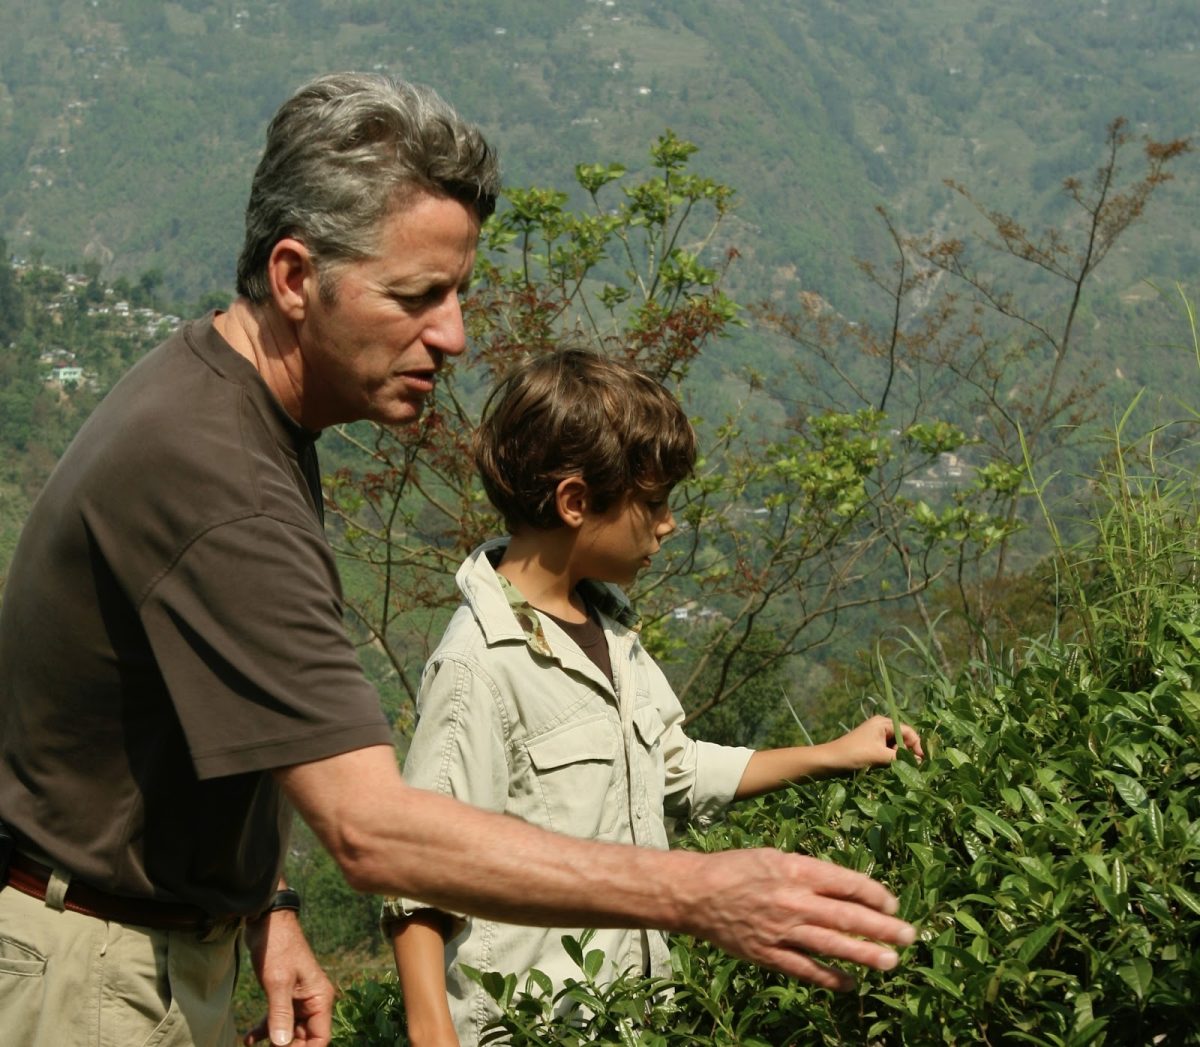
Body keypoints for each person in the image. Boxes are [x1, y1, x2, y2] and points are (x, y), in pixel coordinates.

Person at [0, 73, 915, 1047]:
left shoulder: (236, 407)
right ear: (296, 278)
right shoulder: (222, 478)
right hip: (91, 974)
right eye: (416, 297)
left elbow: (219, 708)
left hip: (154, 940)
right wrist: (701, 891)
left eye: (459, 292)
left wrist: (265, 907)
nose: (454, 335)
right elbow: (371, 831)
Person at [383, 349, 925, 1044]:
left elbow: (671, 766)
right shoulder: (479, 666)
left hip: (630, 1023)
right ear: (576, 501)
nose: (667, 525)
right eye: (654, 503)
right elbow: (420, 875)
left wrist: (829, 754)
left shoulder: (609, 630)